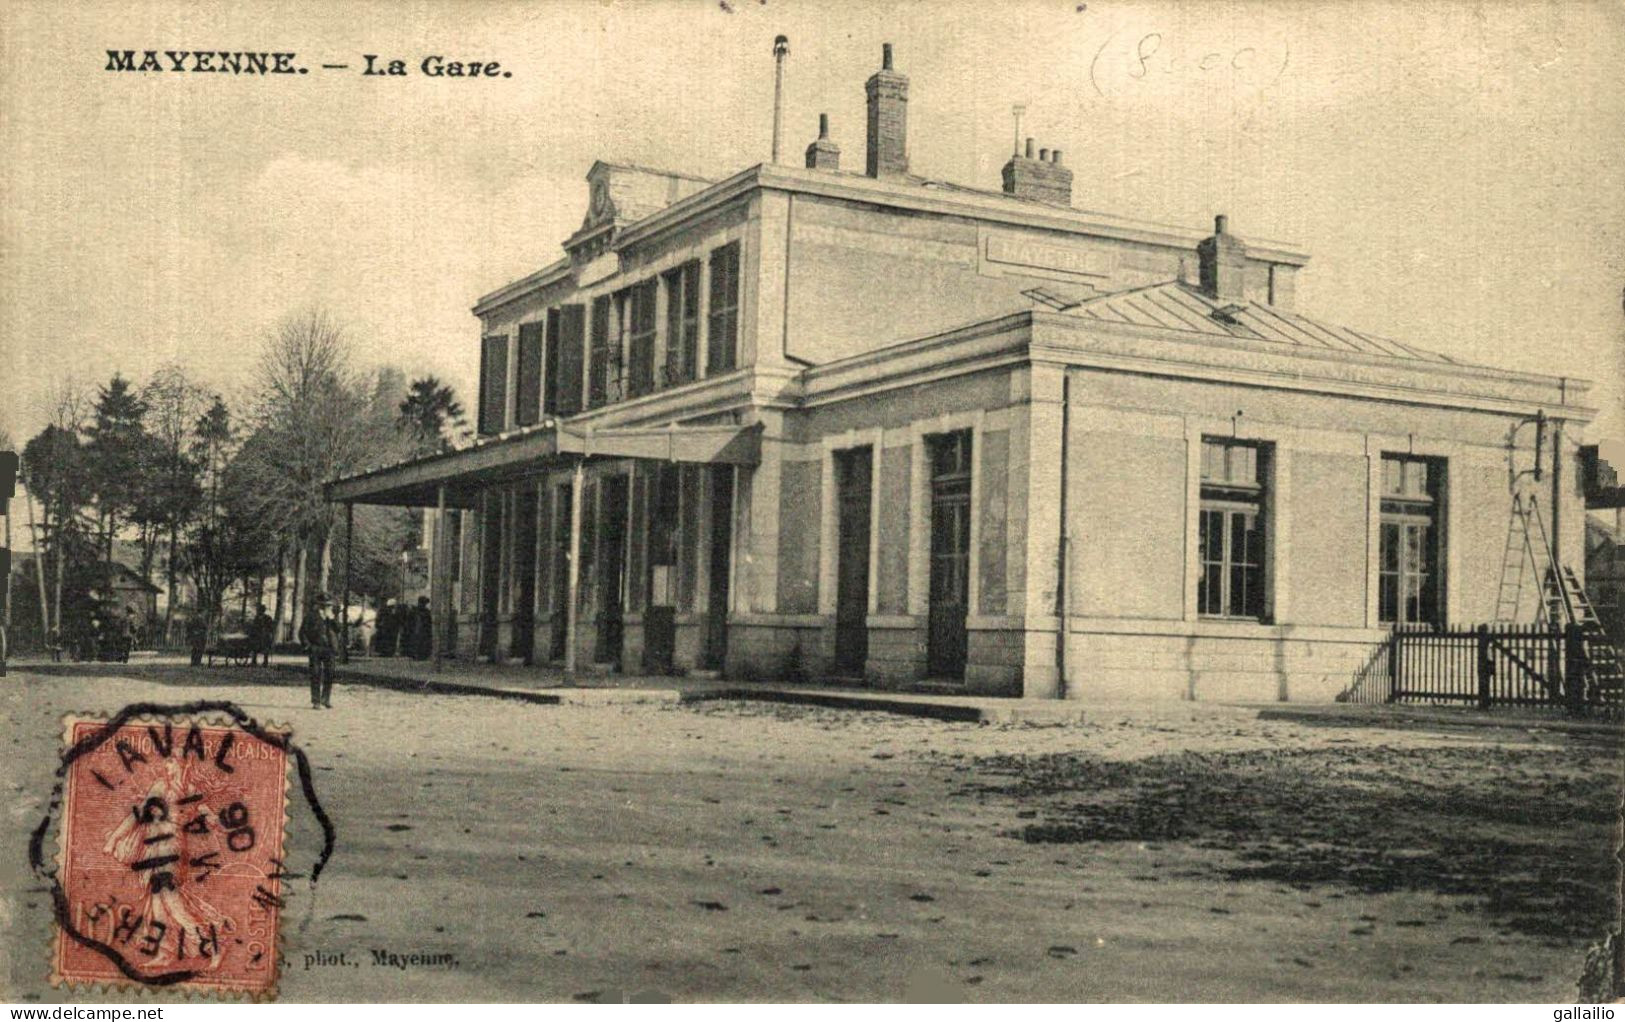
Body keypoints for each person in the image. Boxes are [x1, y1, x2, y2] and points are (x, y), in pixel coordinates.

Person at [299, 594, 339, 709]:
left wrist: (331, 619)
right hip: (315, 648)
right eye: (326, 605)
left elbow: (339, 630)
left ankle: (325, 699)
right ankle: (316, 701)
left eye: (329, 605)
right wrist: (307, 646)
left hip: (329, 648)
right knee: (316, 674)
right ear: (320, 606)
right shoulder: (311, 616)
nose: (328, 607)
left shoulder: (332, 617)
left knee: (330, 673)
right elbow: (302, 632)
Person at [406, 596, 433, 660]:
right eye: (424, 603)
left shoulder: (426, 612)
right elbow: (409, 621)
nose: (424, 605)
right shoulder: (414, 611)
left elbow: (429, 622)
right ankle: (416, 655)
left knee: (422, 643)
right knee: (417, 643)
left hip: (422, 631)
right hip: (416, 630)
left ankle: (421, 655)